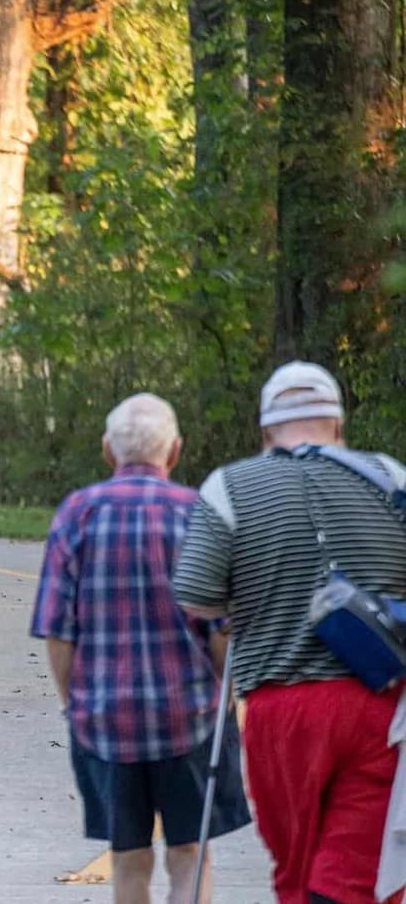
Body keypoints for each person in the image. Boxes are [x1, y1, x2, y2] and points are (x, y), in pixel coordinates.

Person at [173, 360, 406, 904]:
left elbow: (194, 595)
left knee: (297, 865)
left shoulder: (229, 486)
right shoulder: (392, 478)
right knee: (357, 872)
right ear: (339, 425)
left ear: (264, 433)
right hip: (381, 705)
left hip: (280, 708)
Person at [31, 393, 250, 904]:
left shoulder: (76, 514)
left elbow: (58, 631)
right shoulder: (199, 514)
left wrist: (73, 705)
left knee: (128, 860)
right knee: (190, 857)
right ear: (174, 451)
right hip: (189, 719)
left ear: (109, 451)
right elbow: (224, 630)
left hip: (106, 722)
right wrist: (226, 702)